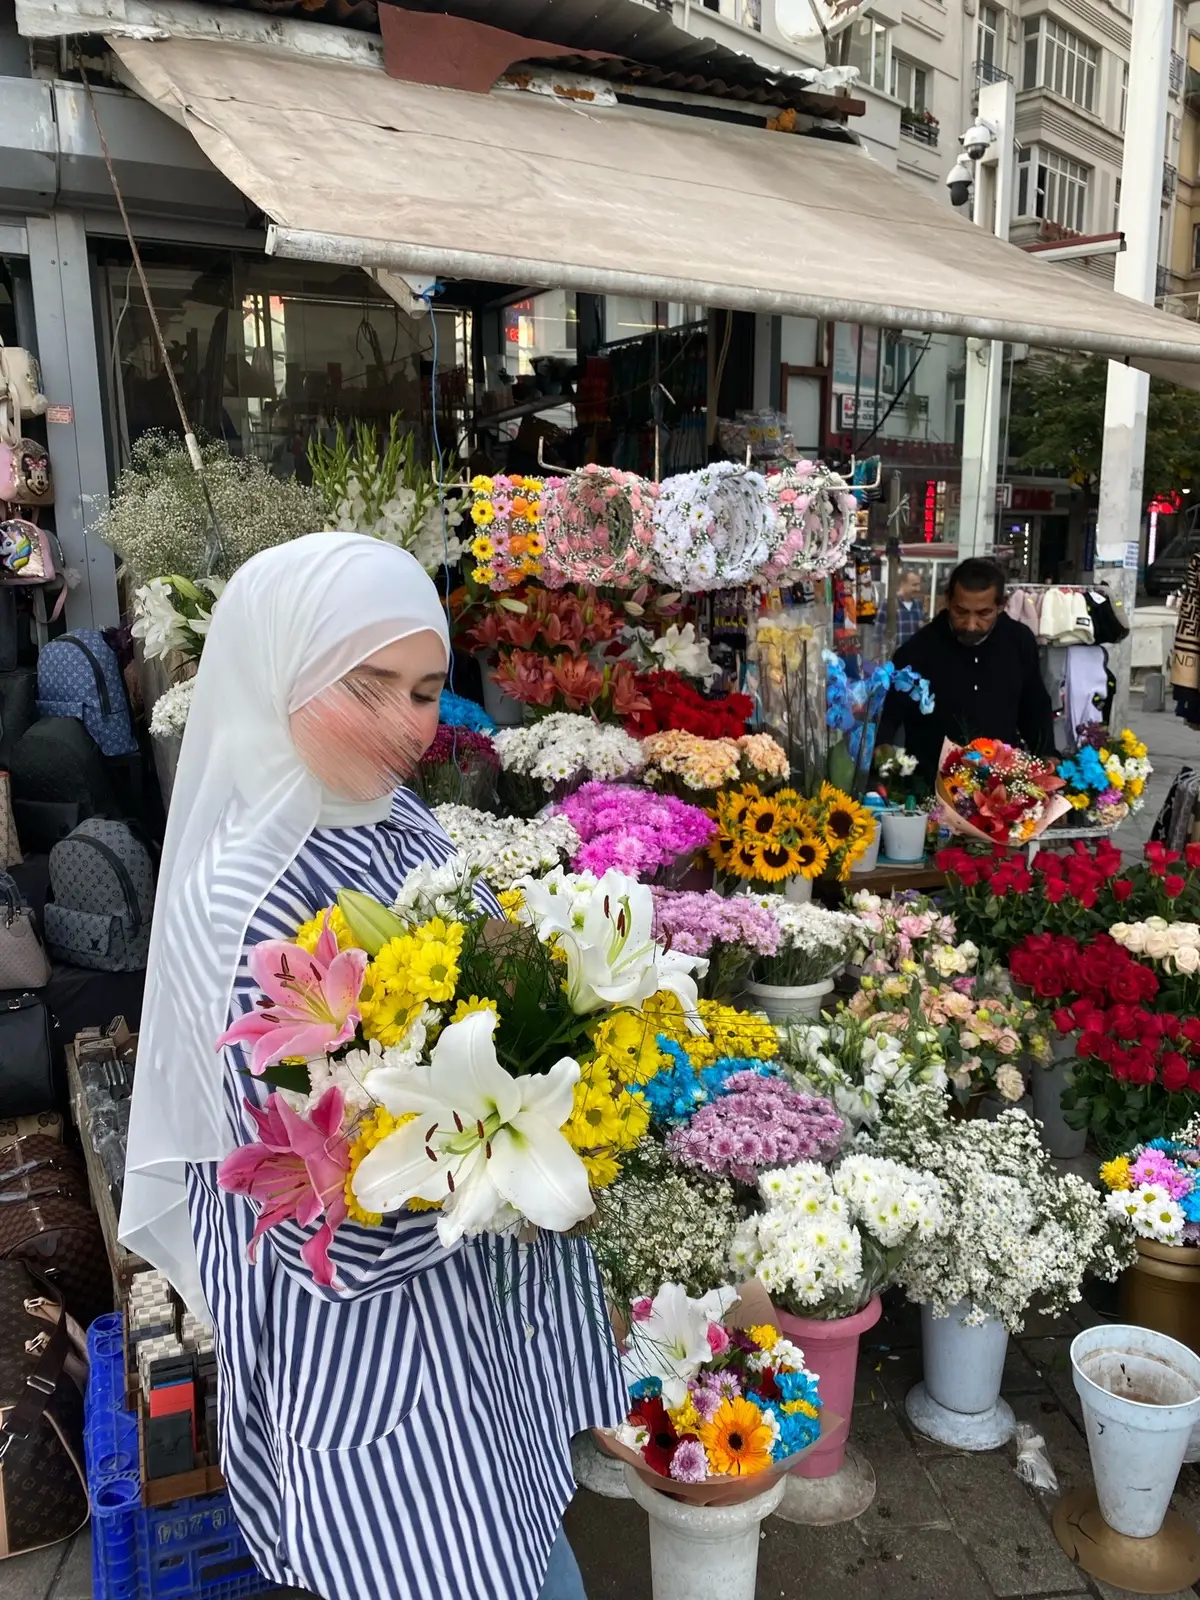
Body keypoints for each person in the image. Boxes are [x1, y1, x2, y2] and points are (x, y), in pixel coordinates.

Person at [120, 532, 624, 1600]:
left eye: (430, 690)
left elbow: (490, 971)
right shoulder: (246, 894)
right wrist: (515, 1178)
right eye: (372, 686)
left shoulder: (391, 814)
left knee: (519, 1526)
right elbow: (314, 1203)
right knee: (433, 1557)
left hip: (471, 1307)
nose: (407, 723)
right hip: (373, 1341)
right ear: (284, 676)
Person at [878, 556, 1055, 783]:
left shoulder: (1019, 641)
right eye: (961, 612)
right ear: (948, 602)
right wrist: (881, 753)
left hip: (1002, 786)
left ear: (1001, 606)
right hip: (931, 787)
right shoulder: (918, 649)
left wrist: (1047, 754)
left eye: (984, 614)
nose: (971, 625)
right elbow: (889, 716)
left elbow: (1034, 706)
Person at [893, 567, 925, 645]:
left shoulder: (918, 604)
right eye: (914, 585)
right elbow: (878, 637)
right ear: (902, 584)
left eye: (919, 585)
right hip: (896, 655)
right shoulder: (889, 604)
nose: (918, 589)